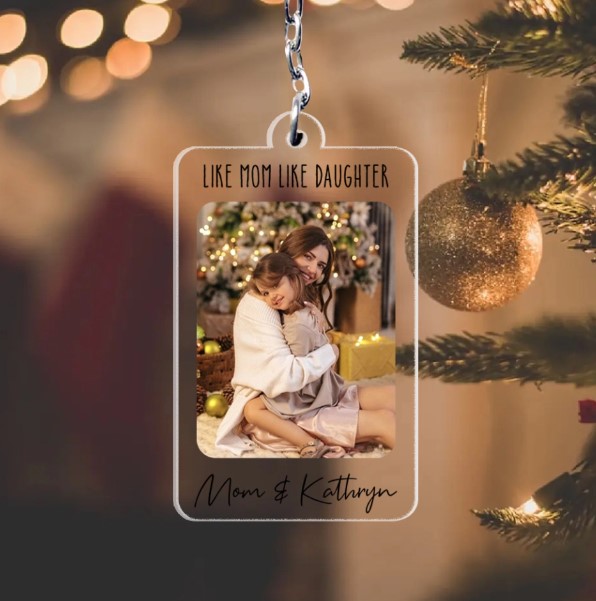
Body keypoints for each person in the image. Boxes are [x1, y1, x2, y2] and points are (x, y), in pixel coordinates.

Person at [214, 224, 395, 456]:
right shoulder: (262, 306)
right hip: (280, 413)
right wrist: (332, 351)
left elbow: (314, 351)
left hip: (311, 395)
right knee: (385, 421)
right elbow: (288, 374)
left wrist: (322, 332)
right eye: (307, 257)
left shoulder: (297, 298)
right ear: (287, 255)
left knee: (394, 395)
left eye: (320, 265)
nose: (313, 270)